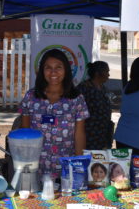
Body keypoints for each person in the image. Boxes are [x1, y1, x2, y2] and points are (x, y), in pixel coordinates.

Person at [20, 48, 89, 179]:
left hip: (66, 167)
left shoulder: (76, 99)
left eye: (58, 67)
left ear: (66, 70)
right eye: (48, 67)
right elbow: (25, 132)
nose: (53, 72)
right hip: (36, 166)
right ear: (42, 71)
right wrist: (25, 164)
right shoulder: (31, 97)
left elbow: (80, 134)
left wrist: (78, 164)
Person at [78, 61, 113, 150]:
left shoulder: (104, 88)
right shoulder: (84, 88)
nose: (108, 75)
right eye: (107, 72)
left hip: (103, 136)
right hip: (89, 137)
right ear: (98, 73)